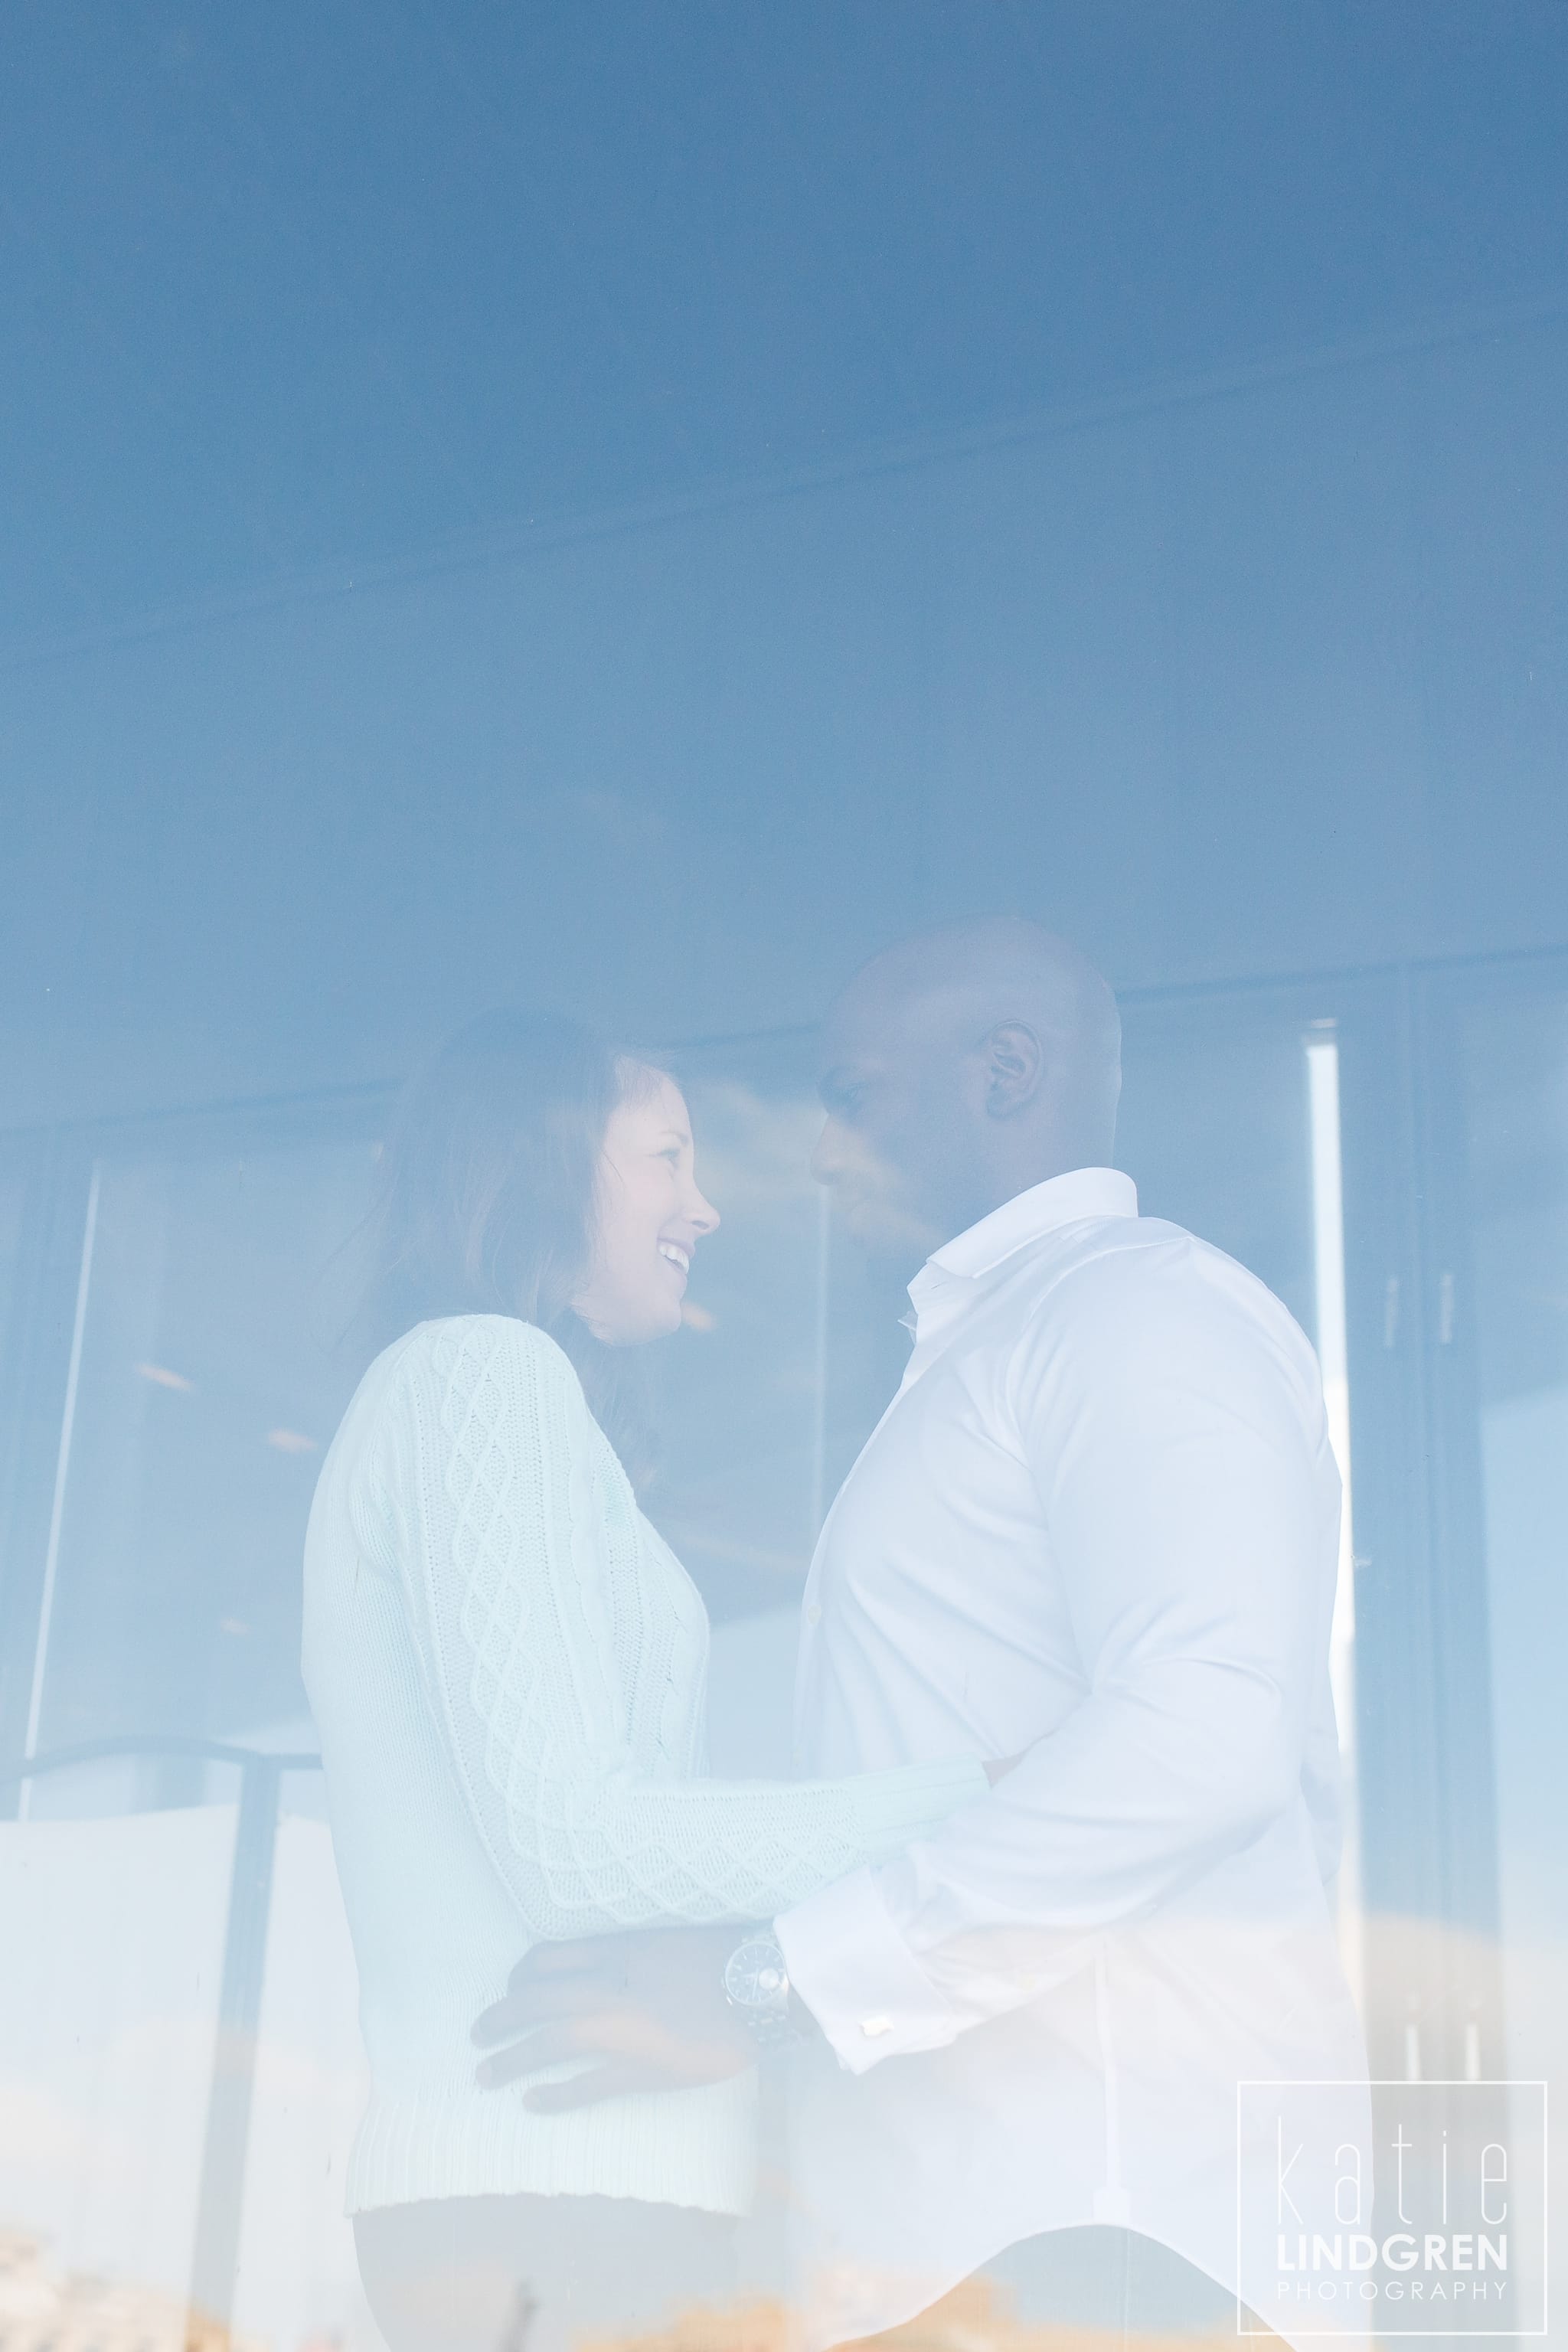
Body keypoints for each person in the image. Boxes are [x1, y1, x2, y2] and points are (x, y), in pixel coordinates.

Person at [475, 920, 1370, 2351]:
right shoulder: (995, 1349)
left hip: (1114, 2252)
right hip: (980, 2263)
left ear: (1005, 1071)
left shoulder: (1133, 1311)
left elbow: (1203, 1735)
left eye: (851, 1098)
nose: (818, 1153)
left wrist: (769, 1983)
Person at [300, 1008, 994, 2352]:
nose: (706, 1205)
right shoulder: (476, 1378)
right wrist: (977, 1802)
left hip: (568, 2196)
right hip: (553, 2201)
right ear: (546, 1164)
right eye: (668, 1156)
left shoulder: (504, 1401)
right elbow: (577, 1848)